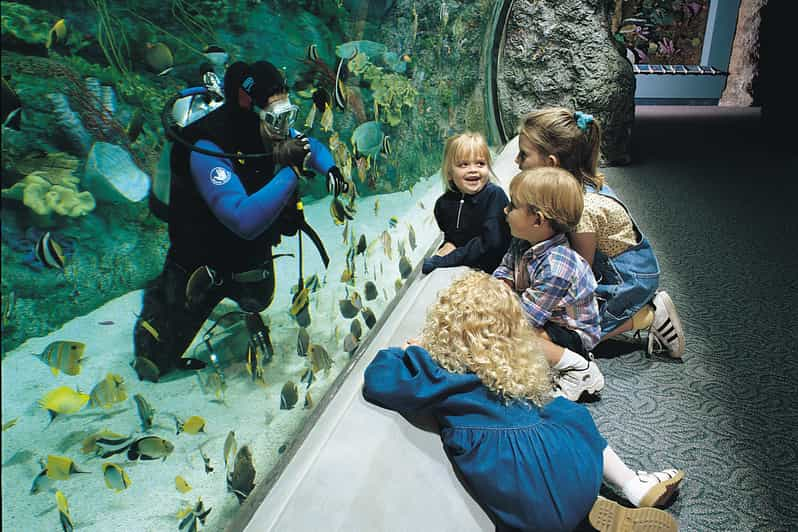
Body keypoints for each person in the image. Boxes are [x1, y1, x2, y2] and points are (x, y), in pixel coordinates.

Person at [363, 271, 683, 532]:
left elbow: (378, 377)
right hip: (577, 474)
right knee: (567, 413)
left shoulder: (437, 375)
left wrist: (411, 351)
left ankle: (571, 513)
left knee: (539, 494)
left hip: (527, 509)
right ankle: (623, 486)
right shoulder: (514, 371)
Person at [133, 60, 348, 382]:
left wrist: (330, 168)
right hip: (199, 257)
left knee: (258, 298)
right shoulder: (207, 147)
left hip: (246, 251)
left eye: (288, 115)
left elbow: (310, 146)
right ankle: (161, 295)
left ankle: (224, 294)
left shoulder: (269, 129)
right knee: (154, 361)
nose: (284, 127)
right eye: (277, 118)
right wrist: (292, 171)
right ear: (248, 108)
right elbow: (242, 219)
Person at [515, 108, 685, 357]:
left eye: (523, 155)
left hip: (627, 280)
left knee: (572, 339)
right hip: (611, 270)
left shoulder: (582, 208)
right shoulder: (567, 189)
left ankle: (647, 315)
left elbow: (581, 271)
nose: (516, 162)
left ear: (550, 163)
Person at [494, 167, 605, 401]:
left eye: (512, 206)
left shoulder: (557, 266)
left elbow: (527, 318)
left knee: (510, 337)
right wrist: (500, 286)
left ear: (537, 219)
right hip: (545, 318)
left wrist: (492, 316)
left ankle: (578, 368)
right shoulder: (521, 242)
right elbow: (505, 270)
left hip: (571, 334)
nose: (505, 210)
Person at [422, 132, 511, 275]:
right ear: (450, 173)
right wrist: (449, 244)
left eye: (480, 163)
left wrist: (441, 261)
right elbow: (454, 237)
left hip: (499, 268)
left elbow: (492, 244)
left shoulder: (494, 196)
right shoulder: (443, 204)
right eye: (464, 164)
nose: (473, 170)